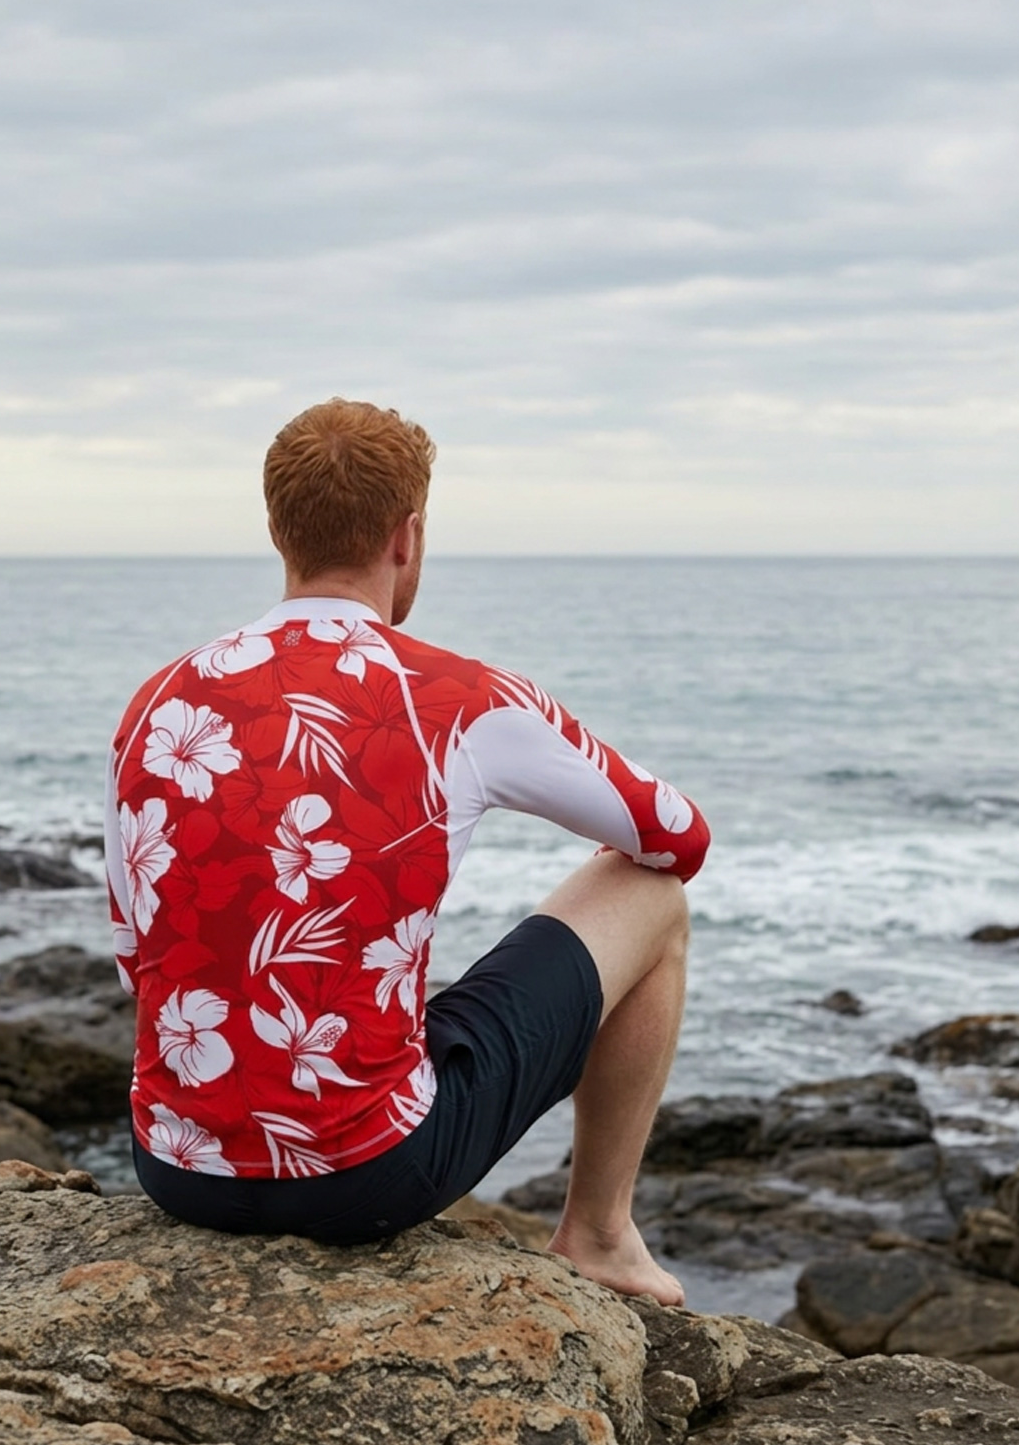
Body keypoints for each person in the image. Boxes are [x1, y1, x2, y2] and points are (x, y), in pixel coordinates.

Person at [104, 398, 709, 1306]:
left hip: (178, 1172)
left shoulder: (158, 702)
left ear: (277, 530)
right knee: (652, 899)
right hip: (367, 1175)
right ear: (408, 534)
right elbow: (675, 837)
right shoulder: (460, 698)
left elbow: (136, 966)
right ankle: (600, 1234)